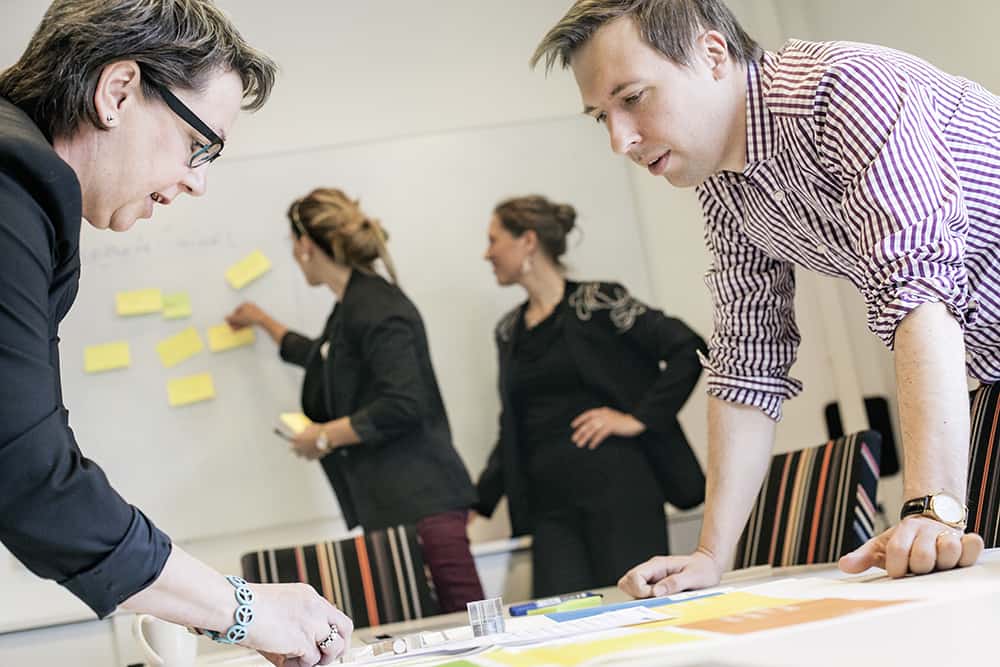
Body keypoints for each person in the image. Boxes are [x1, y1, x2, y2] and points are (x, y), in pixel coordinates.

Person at [531, 0, 990, 597]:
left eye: (633, 98)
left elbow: (921, 293)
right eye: (602, 117)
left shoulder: (842, 92)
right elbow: (748, 363)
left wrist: (929, 505)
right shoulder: (725, 186)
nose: (621, 140)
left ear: (712, 55)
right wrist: (709, 555)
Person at [0, 2, 352, 665]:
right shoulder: (14, 182)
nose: (197, 182)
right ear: (117, 91)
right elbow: (33, 477)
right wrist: (245, 611)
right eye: (199, 146)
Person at [225, 188, 485, 613]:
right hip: (394, 504)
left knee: (465, 624)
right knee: (423, 633)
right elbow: (324, 358)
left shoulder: (377, 307)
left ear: (306, 245)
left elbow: (404, 402)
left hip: (423, 503)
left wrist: (323, 437)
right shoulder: (352, 307)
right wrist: (263, 322)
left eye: (293, 244)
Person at [471, 195, 706, 597]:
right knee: (560, 625)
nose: (486, 253)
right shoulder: (509, 330)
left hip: (620, 493)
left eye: (493, 239)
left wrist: (637, 418)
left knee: (637, 614)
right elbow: (513, 424)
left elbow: (689, 349)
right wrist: (477, 503)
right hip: (549, 508)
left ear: (527, 240)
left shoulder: (598, 302)